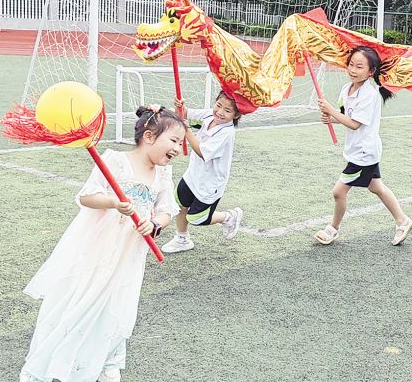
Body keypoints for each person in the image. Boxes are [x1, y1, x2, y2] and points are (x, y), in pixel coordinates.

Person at [20, 106, 185, 382]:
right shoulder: (116, 161)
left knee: (117, 304)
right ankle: (53, 361)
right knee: (81, 300)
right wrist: (114, 203)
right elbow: (86, 196)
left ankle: (108, 358)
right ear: (149, 136)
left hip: (128, 255)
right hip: (96, 249)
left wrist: (155, 224)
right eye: (174, 141)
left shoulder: (163, 175)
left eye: (180, 143)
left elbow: (166, 211)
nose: (178, 149)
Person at [315, 45, 412, 246]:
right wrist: (332, 118)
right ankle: (402, 220)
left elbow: (354, 124)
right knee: (376, 187)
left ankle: (333, 229)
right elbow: (348, 117)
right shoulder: (347, 89)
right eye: (351, 64)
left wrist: (331, 111)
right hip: (360, 149)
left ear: (371, 72)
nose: (353, 70)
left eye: (359, 67)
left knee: (338, 192)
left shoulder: (369, 94)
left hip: (363, 152)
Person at [161, 91, 244, 254]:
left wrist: (186, 129)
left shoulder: (226, 133)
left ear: (236, 115)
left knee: (198, 219)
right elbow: (185, 115)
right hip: (193, 174)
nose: (220, 112)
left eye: (227, 111)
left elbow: (202, 152)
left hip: (210, 183)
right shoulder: (208, 116)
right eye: (218, 105)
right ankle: (182, 239)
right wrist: (181, 106)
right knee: (181, 205)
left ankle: (228, 216)